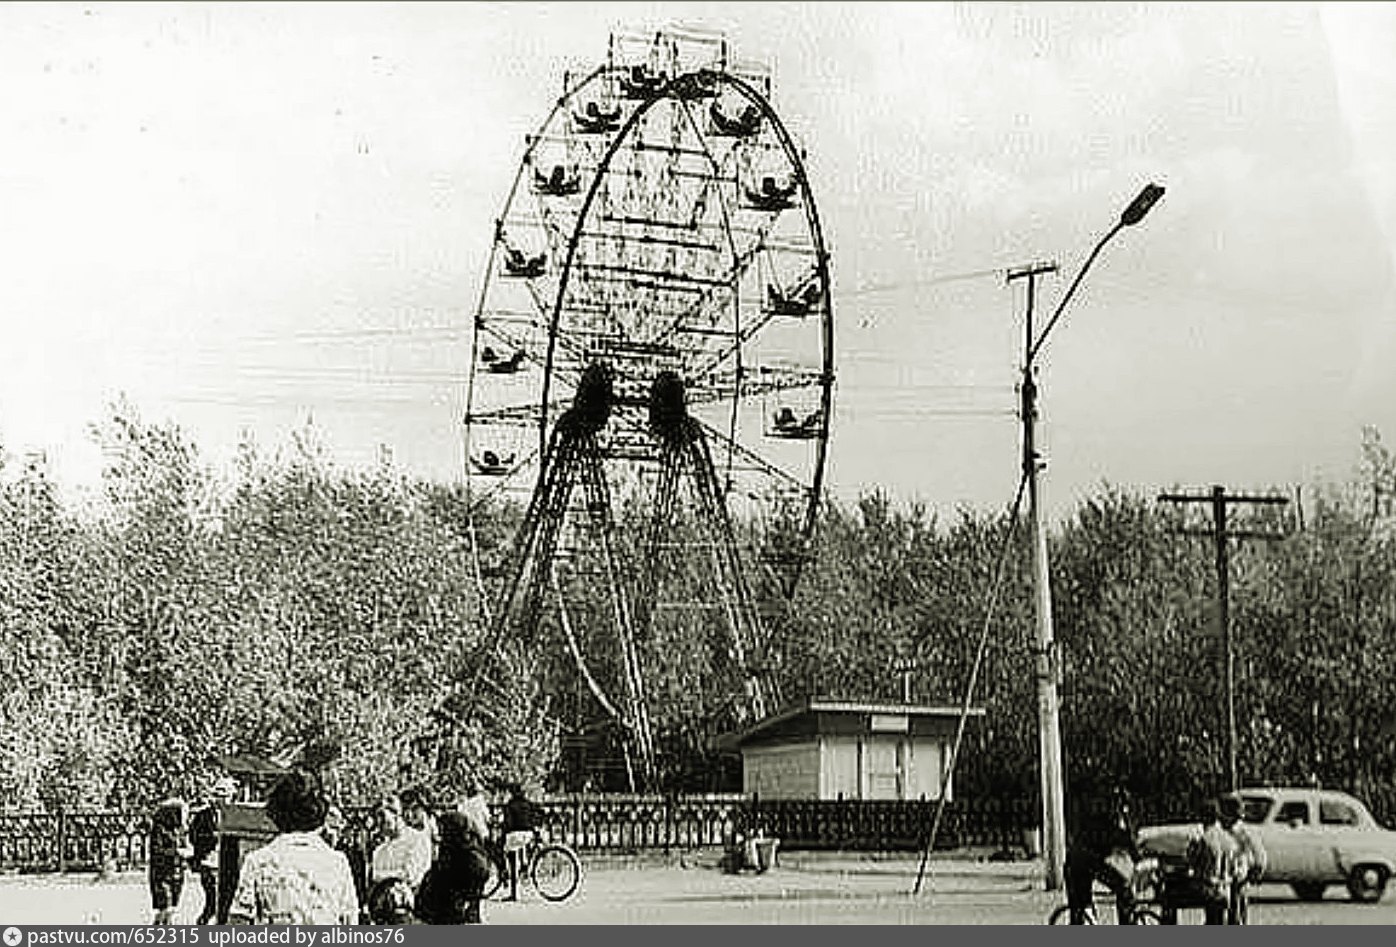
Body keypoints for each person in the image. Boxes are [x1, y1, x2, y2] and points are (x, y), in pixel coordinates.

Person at [226, 768, 358, 925]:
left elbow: (238, 926)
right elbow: (349, 923)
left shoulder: (258, 862)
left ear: (276, 812)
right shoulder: (338, 863)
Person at [1064, 787, 1140, 924]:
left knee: (1080, 909)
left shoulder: (1104, 818)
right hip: (1082, 864)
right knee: (1122, 889)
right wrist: (1138, 858)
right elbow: (1127, 842)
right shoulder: (1109, 821)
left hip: (1081, 862)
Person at [415, 810, 493, 925]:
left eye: (442, 828)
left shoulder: (461, 853)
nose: (440, 832)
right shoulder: (469, 847)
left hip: (449, 908)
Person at [1187, 798, 1241, 925]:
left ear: (1203, 818)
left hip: (1208, 890)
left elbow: (1192, 862)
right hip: (1225, 889)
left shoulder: (1203, 840)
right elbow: (1235, 869)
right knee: (1218, 919)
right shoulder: (1229, 839)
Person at [188, 777, 236, 924]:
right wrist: (211, 838)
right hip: (209, 862)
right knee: (213, 901)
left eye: (225, 797)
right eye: (219, 796)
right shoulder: (203, 815)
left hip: (226, 863)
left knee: (223, 902)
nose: (222, 800)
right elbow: (194, 836)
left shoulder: (234, 815)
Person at [370, 794, 432, 894]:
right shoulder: (380, 851)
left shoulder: (417, 840)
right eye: (376, 817)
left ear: (397, 815)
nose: (379, 822)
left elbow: (411, 876)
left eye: (382, 815)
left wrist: (383, 877)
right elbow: (375, 878)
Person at [1221, 795, 1267, 924]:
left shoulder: (1242, 833)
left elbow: (1260, 860)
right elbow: (1260, 860)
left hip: (1237, 883)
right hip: (1232, 881)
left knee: (1236, 917)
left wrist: (1249, 878)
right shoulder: (1243, 831)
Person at [148, 797, 191, 925]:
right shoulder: (159, 829)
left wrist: (188, 851)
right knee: (164, 908)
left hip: (177, 873)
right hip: (162, 874)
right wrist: (176, 852)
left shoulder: (179, 830)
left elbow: (186, 846)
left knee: (171, 910)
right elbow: (157, 850)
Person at [501, 783, 540, 901]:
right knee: (521, 845)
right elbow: (537, 815)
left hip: (516, 834)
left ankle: (513, 892)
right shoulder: (529, 803)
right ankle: (524, 865)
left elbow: (508, 824)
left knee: (508, 854)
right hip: (528, 834)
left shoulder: (510, 805)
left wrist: (503, 831)